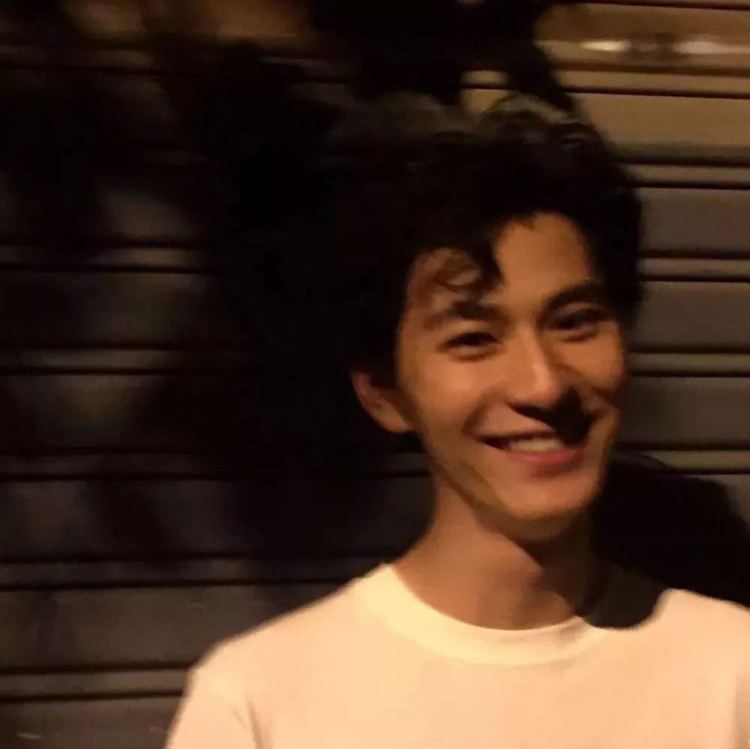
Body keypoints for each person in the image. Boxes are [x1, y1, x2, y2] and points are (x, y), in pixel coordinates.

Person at [165, 92, 750, 749]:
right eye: (474, 338)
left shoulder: (732, 674)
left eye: (575, 322)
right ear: (384, 392)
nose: (543, 383)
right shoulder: (259, 703)